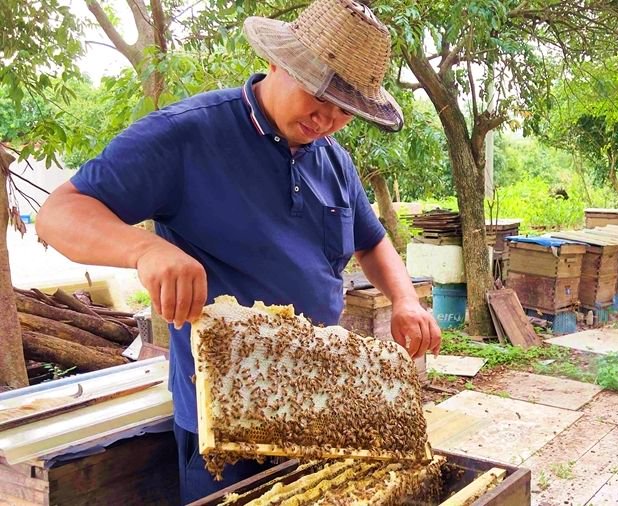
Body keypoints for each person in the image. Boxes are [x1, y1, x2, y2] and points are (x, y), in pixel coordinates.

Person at [35, 0, 441, 502]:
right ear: (277, 60)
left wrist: (404, 299)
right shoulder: (185, 134)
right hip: (229, 420)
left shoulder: (333, 160)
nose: (328, 119)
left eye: (346, 110)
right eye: (319, 95)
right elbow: (59, 214)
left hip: (320, 406)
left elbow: (372, 240)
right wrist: (144, 249)